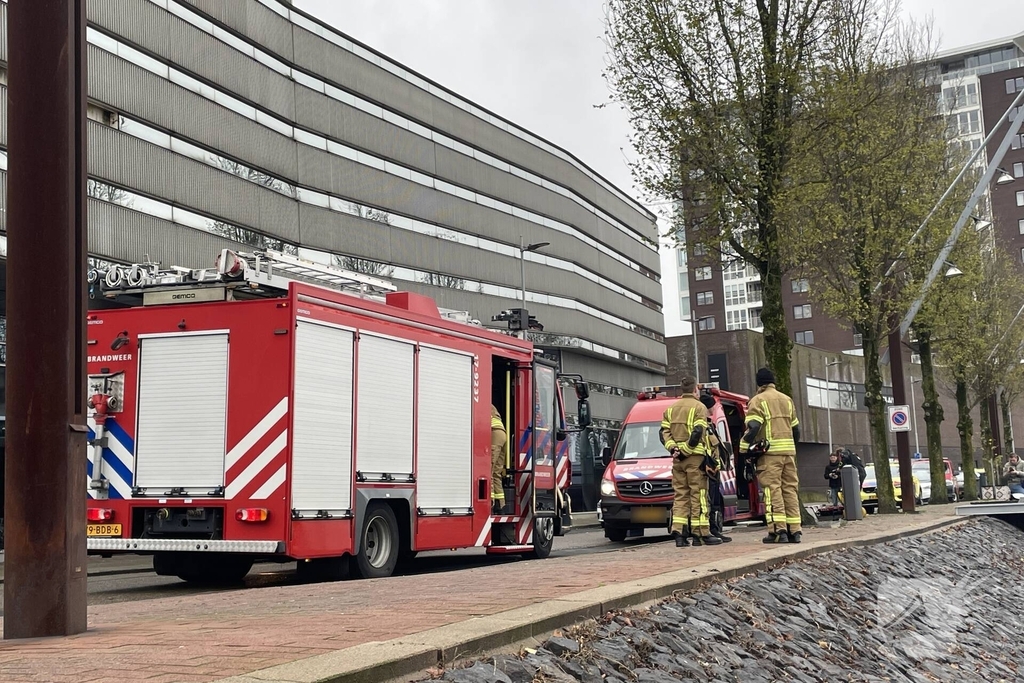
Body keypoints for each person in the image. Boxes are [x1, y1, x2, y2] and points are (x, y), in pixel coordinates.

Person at [740, 368, 803, 544]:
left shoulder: (758, 400)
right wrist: (791, 447)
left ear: (759, 383)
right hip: (788, 454)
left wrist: (744, 449)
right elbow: (796, 430)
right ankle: (795, 530)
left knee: (772, 490)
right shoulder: (787, 400)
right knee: (790, 490)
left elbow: (753, 427)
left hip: (769, 455)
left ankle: (778, 531)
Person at [661, 377, 722, 547]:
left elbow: (663, 432)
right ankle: (700, 533)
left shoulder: (671, 409)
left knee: (680, 496)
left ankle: (679, 534)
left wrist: (674, 449)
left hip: (677, 461)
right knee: (699, 495)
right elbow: (698, 431)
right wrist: (687, 450)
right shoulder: (699, 407)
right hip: (695, 458)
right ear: (695, 389)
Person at [699, 390, 732, 543]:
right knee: (709, 502)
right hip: (708, 470)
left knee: (715, 502)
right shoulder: (703, 426)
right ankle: (710, 530)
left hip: (715, 471)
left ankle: (716, 529)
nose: (714, 408)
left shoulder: (710, 425)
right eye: (712, 406)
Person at [491, 404, 508, 514]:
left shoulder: (479, 400)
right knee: (496, 472)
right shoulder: (491, 406)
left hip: (494, 432)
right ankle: (500, 505)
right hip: (502, 433)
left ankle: (490, 502)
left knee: (488, 470)